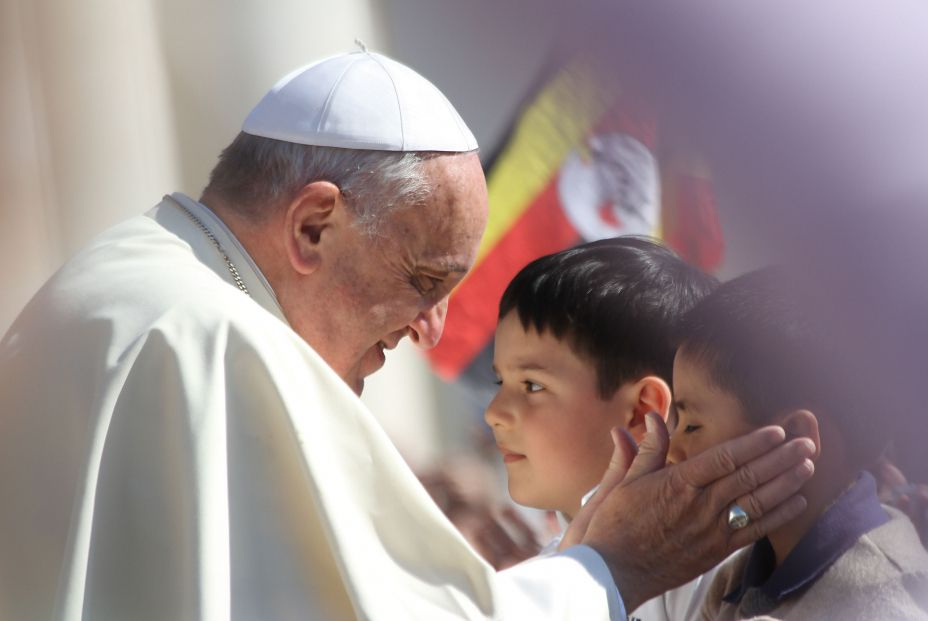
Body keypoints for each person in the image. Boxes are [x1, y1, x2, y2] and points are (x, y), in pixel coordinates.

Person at [0, 49, 815, 620]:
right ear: (314, 225)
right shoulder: (214, 341)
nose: (431, 329)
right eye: (425, 281)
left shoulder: (136, 277)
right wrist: (615, 565)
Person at [485, 236, 725, 621]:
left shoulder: (708, 560)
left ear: (642, 412)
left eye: (532, 385)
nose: (494, 413)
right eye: (501, 383)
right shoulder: (546, 573)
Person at [668, 267, 928, 619]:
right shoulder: (742, 573)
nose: (671, 452)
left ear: (794, 439)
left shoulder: (886, 603)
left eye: (692, 426)